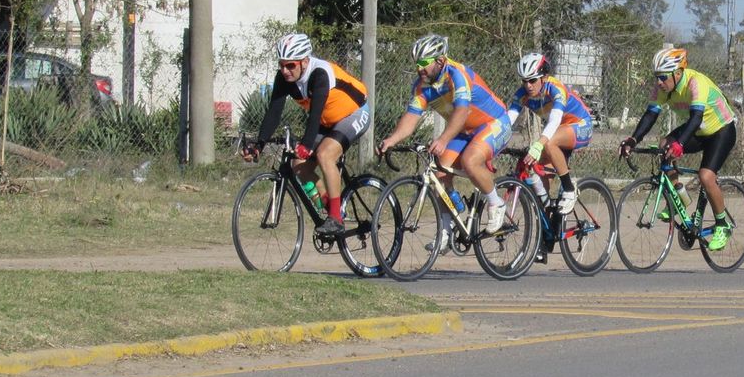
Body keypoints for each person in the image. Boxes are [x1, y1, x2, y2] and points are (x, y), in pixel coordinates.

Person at [376, 33, 514, 233]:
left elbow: (462, 111)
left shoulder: (457, 75)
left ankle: (496, 203)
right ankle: (446, 230)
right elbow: (411, 118)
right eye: (416, 63)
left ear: (440, 61)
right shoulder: (421, 86)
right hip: (465, 131)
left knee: (470, 160)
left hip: (494, 123)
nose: (419, 68)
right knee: (439, 171)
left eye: (423, 62)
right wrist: (391, 139)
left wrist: (443, 139)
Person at [243, 31, 370, 239]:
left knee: (325, 155)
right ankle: (328, 203)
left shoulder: (319, 73)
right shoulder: (284, 78)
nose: (285, 71)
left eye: (290, 65)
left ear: (304, 61)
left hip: (354, 112)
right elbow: (273, 113)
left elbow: (315, 113)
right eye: (282, 65)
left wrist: (307, 144)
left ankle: (336, 219)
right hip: (328, 120)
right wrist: (259, 145)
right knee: (298, 165)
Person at [618, 47, 739, 250]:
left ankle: (722, 224)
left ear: (678, 73)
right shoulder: (663, 88)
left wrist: (680, 144)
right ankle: (679, 197)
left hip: (721, 130)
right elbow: (650, 115)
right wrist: (633, 140)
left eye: (663, 77)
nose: (658, 82)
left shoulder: (695, 82)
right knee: (664, 145)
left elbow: (696, 118)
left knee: (706, 176)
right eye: (656, 77)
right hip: (699, 131)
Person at [505, 52, 595, 215]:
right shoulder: (523, 94)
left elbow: (554, 121)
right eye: (524, 81)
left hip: (579, 125)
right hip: (558, 130)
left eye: (532, 80)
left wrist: (539, 144)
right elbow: (507, 121)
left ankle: (569, 188)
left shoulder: (555, 88)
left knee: (549, 141)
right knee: (540, 181)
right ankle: (547, 231)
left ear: (544, 77)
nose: (528, 86)